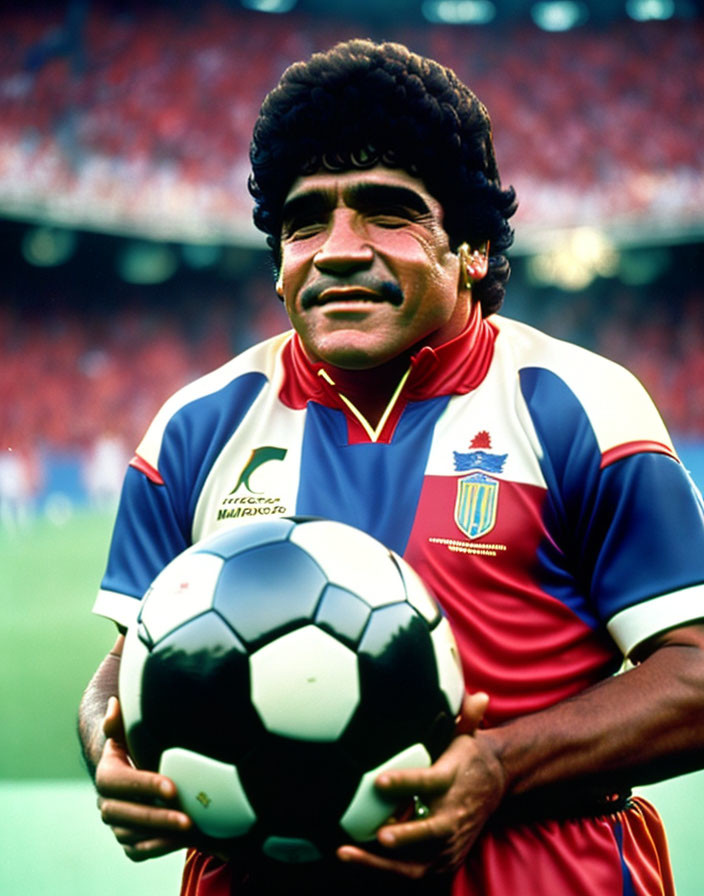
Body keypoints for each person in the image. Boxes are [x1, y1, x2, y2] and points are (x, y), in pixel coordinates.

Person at [78, 39, 704, 896]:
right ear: (279, 264)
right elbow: (123, 669)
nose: (337, 248)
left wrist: (500, 768)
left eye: (386, 210)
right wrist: (107, 750)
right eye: (306, 221)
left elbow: (696, 674)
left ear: (471, 248)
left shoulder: (577, 407)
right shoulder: (196, 427)